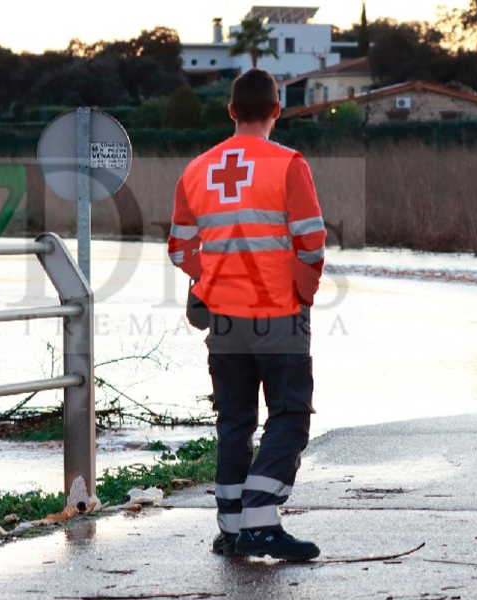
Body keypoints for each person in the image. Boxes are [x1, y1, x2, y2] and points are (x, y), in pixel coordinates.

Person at [167, 68, 326, 561]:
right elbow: (311, 242)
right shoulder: (288, 164)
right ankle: (261, 519)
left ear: (231, 111)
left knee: (234, 421)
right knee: (290, 416)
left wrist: (211, 280)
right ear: (276, 111)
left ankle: (232, 528)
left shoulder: (196, 170)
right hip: (278, 313)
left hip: (223, 321)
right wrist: (302, 294)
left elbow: (178, 250)